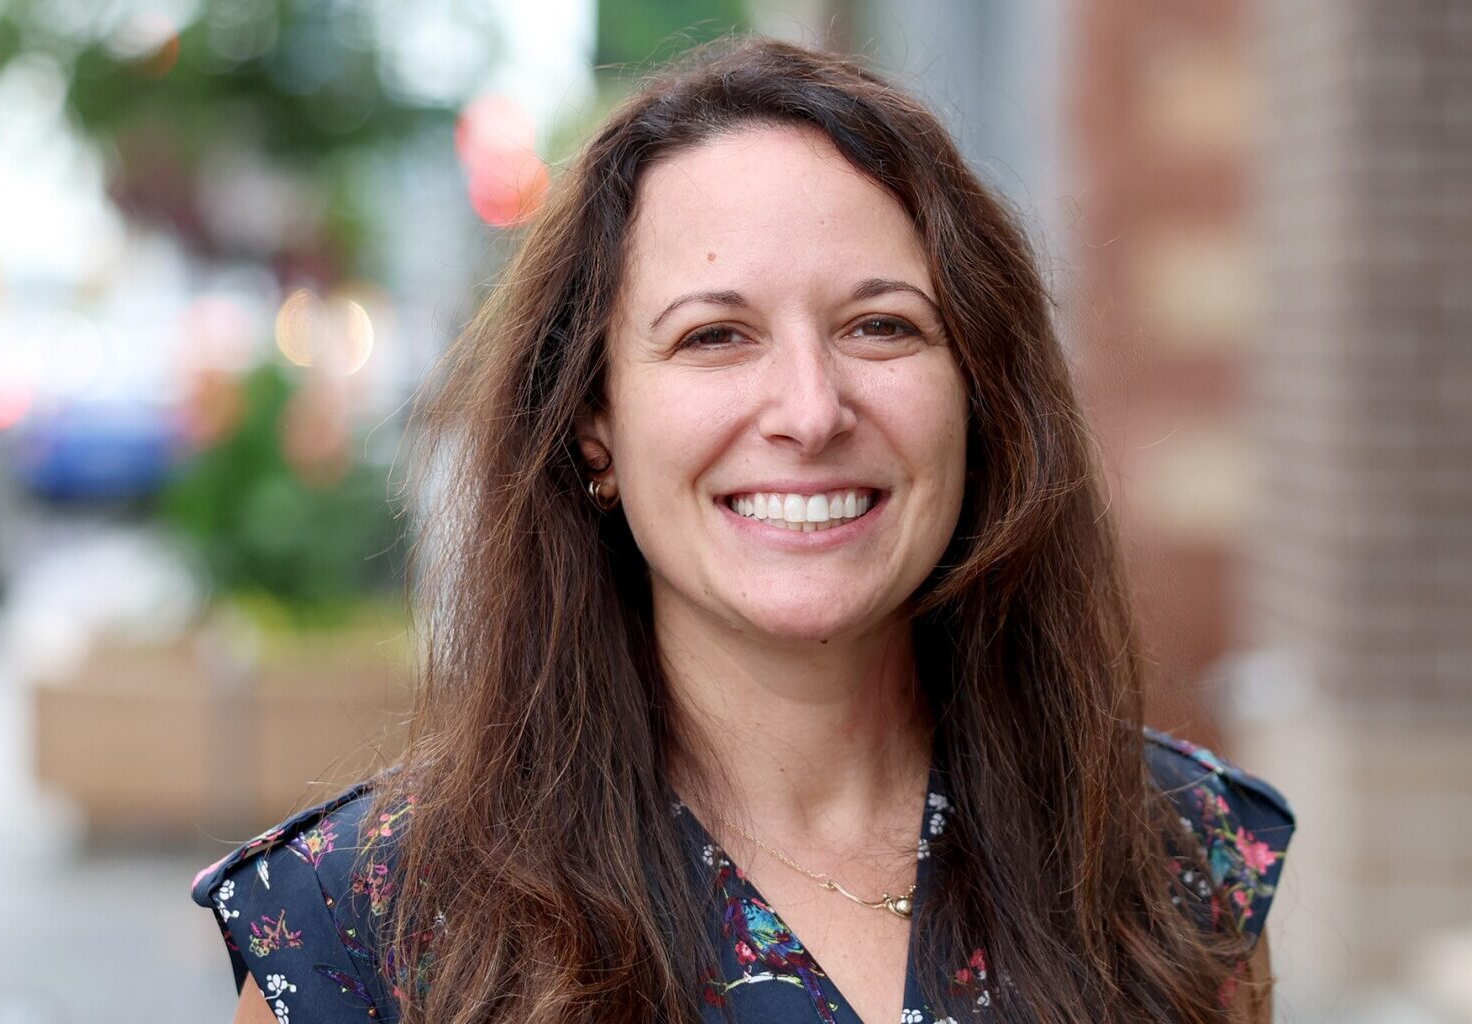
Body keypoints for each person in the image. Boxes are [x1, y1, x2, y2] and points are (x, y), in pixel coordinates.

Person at [194, 37, 1294, 1024]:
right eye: (716, 336)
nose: (811, 411)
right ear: (594, 430)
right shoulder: (369, 932)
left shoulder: (1170, 862)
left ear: (980, 397)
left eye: (881, 326)